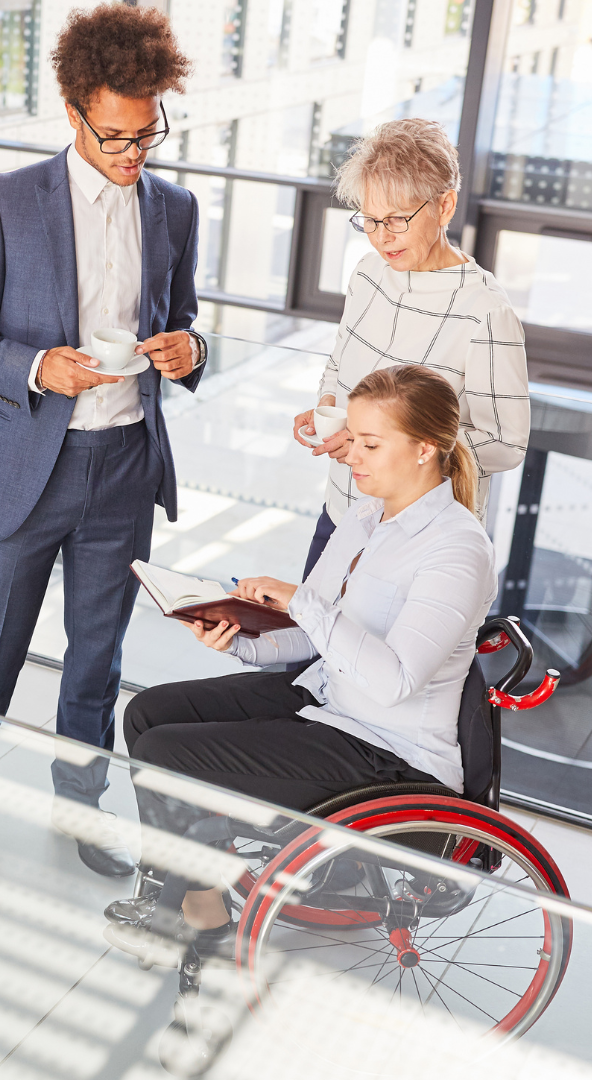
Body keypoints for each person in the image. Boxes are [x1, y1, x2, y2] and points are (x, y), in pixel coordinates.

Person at [0, 4, 208, 903]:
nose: (135, 153)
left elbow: (187, 321)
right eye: (117, 136)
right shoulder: (7, 202)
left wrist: (190, 351)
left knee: (96, 666)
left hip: (124, 467)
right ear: (74, 113)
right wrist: (37, 365)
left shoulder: (174, 208)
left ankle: (80, 816)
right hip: (26, 472)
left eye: (147, 133)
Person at [105, 366, 496, 957]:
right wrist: (238, 638)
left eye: (370, 444)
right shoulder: (367, 519)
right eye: (353, 440)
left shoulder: (457, 548)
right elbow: (312, 637)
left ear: (425, 449)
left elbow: (393, 681)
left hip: (388, 749)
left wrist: (303, 603)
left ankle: (195, 909)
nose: (351, 457)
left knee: (168, 754)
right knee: (149, 714)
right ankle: (194, 891)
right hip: (331, 700)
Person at [294, 118, 529, 578]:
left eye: (398, 219)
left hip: (418, 541)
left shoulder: (485, 311)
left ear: (445, 206)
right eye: (370, 220)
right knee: (304, 648)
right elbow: (340, 363)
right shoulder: (366, 273)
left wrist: (396, 449)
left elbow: (506, 442)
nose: (382, 237)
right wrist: (328, 406)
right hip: (342, 514)